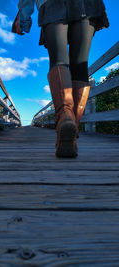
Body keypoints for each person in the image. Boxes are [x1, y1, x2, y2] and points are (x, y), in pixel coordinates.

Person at [12, 0, 109, 157]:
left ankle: (65, 116)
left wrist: (23, 18)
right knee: (80, 66)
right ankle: (71, 131)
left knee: (59, 61)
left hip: (52, 5)